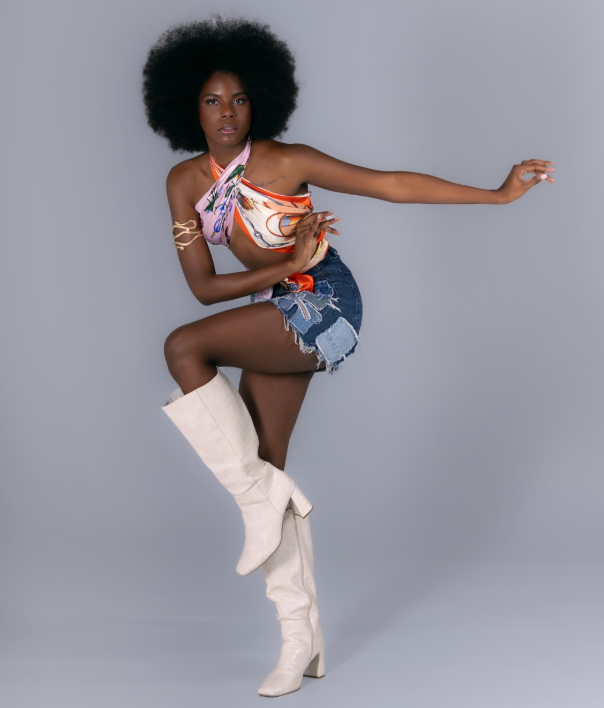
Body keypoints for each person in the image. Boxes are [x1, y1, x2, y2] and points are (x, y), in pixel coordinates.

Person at [141, 14, 554, 698]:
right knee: (266, 464)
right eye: (212, 100)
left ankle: (260, 500)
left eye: (239, 99)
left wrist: (497, 193)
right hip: (272, 300)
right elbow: (204, 288)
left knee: (183, 348)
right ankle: (299, 641)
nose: (227, 112)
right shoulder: (184, 182)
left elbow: (390, 184)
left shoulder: (286, 161)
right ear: (190, 106)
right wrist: (285, 263)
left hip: (324, 304)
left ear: (259, 103)